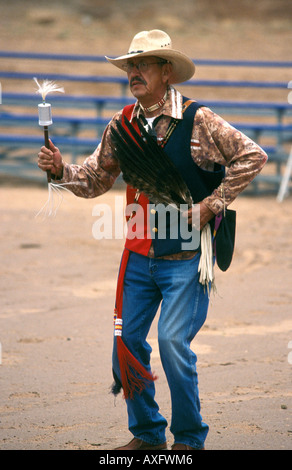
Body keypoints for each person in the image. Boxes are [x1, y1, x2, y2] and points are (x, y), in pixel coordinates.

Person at [37, 30, 267, 450]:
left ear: (167, 72)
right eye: (130, 65)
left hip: (186, 255)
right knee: (125, 344)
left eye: (143, 64)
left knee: (172, 343)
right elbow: (94, 179)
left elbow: (252, 155)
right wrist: (59, 171)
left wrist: (211, 205)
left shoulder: (198, 120)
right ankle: (146, 434)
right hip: (140, 255)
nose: (133, 72)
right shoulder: (121, 124)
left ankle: (189, 441)